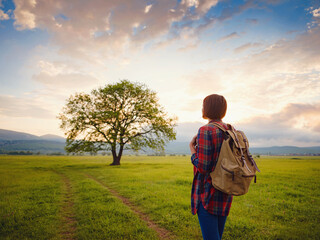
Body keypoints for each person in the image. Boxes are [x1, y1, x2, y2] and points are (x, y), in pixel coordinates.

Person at [189, 94, 233, 240]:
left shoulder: (205, 130)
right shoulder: (230, 130)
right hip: (226, 190)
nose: (202, 108)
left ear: (207, 108)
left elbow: (203, 166)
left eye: (203, 105)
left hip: (207, 193)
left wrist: (192, 150)